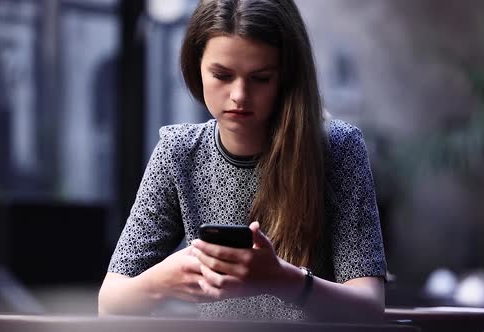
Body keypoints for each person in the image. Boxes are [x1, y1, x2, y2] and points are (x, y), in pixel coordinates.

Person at [99, 0, 386, 322]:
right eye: (222, 75)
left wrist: (283, 280)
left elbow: (369, 307)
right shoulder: (178, 151)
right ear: (196, 68)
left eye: (260, 78)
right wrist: (160, 281)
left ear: (286, 77)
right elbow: (110, 301)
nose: (239, 95)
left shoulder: (337, 147)